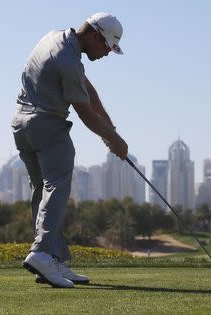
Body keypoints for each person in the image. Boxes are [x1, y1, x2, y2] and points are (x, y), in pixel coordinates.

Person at [11, 12, 128, 288]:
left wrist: (111, 130)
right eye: (107, 47)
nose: (107, 54)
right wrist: (115, 140)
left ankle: (51, 260)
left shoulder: (55, 39)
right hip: (47, 125)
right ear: (96, 36)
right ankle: (41, 252)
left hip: (21, 125)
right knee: (57, 187)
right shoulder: (68, 60)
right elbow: (85, 112)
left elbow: (88, 90)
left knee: (42, 190)